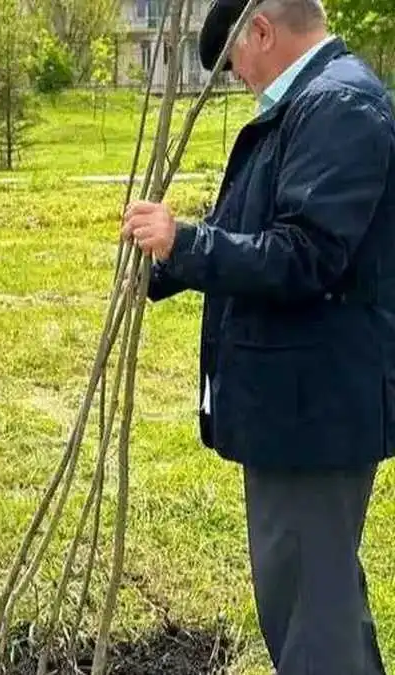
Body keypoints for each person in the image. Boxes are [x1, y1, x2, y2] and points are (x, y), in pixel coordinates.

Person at [122, 0, 394, 672]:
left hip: (314, 408)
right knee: (318, 598)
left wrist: (186, 244)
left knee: (309, 616)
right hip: (299, 403)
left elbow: (306, 253)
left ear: (264, 32)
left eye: (233, 62)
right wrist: (165, 263)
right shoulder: (309, 105)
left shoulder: (337, 108)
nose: (237, 78)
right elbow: (248, 226)